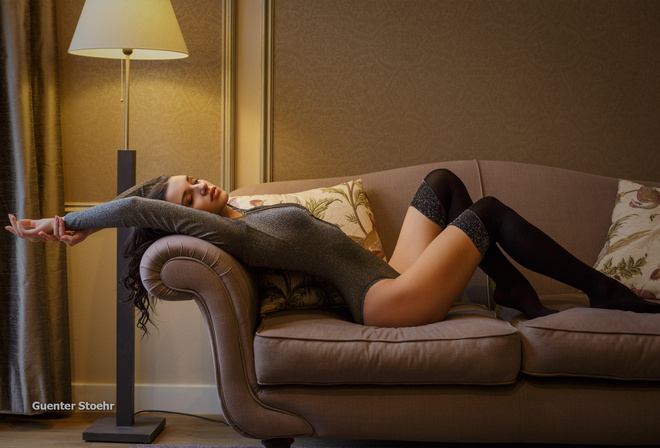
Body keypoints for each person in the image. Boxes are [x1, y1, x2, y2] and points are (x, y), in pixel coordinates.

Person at [7, 169, 660, 331]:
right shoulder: (229, 236)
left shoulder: (240, 212)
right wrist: (72, 222)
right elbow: (134, 208)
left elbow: (148, 197)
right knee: (484, 214)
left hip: (390, 274)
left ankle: (516, 296)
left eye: (195, 177)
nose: (202, 184)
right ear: (181, 216)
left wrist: (197, 192)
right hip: (386, 299)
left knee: (443, 184)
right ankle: (604, 291)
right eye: (189, 193)